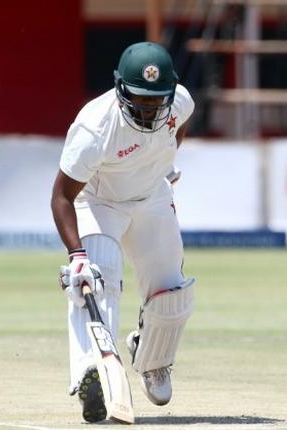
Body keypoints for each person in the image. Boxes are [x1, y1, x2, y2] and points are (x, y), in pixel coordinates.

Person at [51, 42, 195, 423]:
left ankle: (152, 358)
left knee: (173, 295)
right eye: (141, 100)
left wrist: (164, 163)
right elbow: (62, 196)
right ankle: (91, 373)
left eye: (156, 101)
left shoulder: (179, 102)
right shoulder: (94, 127)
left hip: (151, 197)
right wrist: (76, 256)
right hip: (99, 204)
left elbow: (177, 129)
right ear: (121, 90)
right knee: (98, 282)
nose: (150, 108)